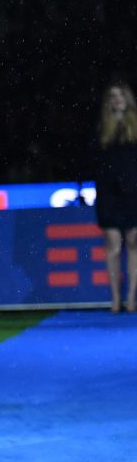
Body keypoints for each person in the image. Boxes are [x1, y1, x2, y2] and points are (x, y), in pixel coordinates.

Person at [94, 82, 137, 313]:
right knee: (113, 244)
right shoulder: (102, 127)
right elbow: (94, 160)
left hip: (134, 191)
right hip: (109, 193)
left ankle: (131, 298)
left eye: (121, 95)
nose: (117, 99)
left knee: (133, 242)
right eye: (113, 96)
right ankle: (115, 297)